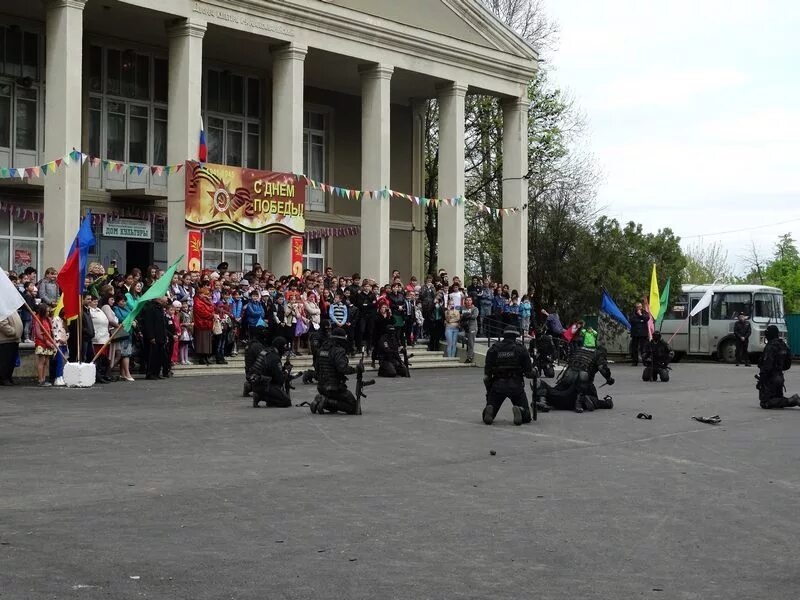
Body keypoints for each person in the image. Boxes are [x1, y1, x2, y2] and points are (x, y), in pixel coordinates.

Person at [536, 345, 615, 413]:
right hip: (582, 383)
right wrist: (609, 379)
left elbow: (569, 362)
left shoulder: (580, 349)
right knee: (593, 396)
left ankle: (542, 398)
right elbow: (602, 368)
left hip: (567, 378)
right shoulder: (599, 354)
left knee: (558, 391)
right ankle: (580, 401)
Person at [482, 326, 535, 426]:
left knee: (490, 409)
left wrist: (489, 391)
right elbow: (528, 373)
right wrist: (534, 372)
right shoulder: (521, 349)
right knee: (527, 416)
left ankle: (490, 409)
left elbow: (487, 373)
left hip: (498, 385)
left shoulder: (493, 349)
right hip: (516, 386)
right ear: (515, 336)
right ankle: (520, 409)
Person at [310, 328, 361, 415]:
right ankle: (326, 401)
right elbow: (343, 368)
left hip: (321, 387)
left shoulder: (322, 348)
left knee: (334, 408)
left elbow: (317, 367)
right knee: (354, 407)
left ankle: (321, 400)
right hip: (334, 388)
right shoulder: (338, 350)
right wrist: (357, 369)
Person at [756, 325, 800, 409]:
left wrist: (761, 380)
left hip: (770, 378)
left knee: (765, 402)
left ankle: (793, 400)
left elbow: (767, 366)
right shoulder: (783, 345)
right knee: (778, 399)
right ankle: (794, 400)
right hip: (780, 377)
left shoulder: (770, 346)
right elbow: (787, 365)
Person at [249, 336, 292, 408]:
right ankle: (261, 397)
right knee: (286, 402)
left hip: (256, 382)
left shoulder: (266, 351)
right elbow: (279, 379)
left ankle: (266, 397)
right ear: (279, 347)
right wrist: (287, 371)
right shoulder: (274, 358)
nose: (284, 350)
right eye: (283, 347)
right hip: (264, 385)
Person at [140, 297, 169, 380]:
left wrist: (165, 335)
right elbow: (148, 324)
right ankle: (150, 373)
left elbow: (162, 324)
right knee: (152, 356)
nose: (162, 299)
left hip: (160, 336)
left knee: (159, 356)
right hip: (153, 337)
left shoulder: (160, 308)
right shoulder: (150, 308)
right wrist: (151, 336)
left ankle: (156, 372)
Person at [32, 303, 55, 386]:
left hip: (48, 343)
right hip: (41, 343)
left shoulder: (48, 319)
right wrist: (48, 342)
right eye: (47, 311)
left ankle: (44, 378)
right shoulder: (37, 320)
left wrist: (53, 341)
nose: (48, 313)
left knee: (46, 362)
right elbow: (38, 334)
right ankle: (40, 380)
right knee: (42, 361)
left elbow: (51, 331)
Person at [0, 309, 23, 386]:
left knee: (11, 361)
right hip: (6, 339)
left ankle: (9, 377)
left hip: (14, 339)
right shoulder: (2, 310)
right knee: (5, 361)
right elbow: (2, 324)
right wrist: (13, 332)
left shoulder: (11, 309)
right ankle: (3, 378)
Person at [193, 286, 215, 365]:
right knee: (202, 342)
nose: (207, 295)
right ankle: (202, 358)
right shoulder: (197, 301)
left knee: (207, 342)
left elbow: (212, 308)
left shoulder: (206, 301)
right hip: (201, 324)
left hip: (207, 323)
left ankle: (206, 357)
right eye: (206, 294)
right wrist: (211, 315)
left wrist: (210, 301)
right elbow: (202, 312)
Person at [460, 297, 479, 363]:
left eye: (470, 300)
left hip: (472, 327)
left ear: (472, 301)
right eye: (467, 300)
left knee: (471, 343)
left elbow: (474, 316)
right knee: (459, 336)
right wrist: (467, 315)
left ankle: (469, 357)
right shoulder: (463, 308)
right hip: (464, 328)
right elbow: (460, 316)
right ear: (465, 301)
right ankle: (469, 351)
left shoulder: (475, 308)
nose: (468, 301)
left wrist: (465, 315)